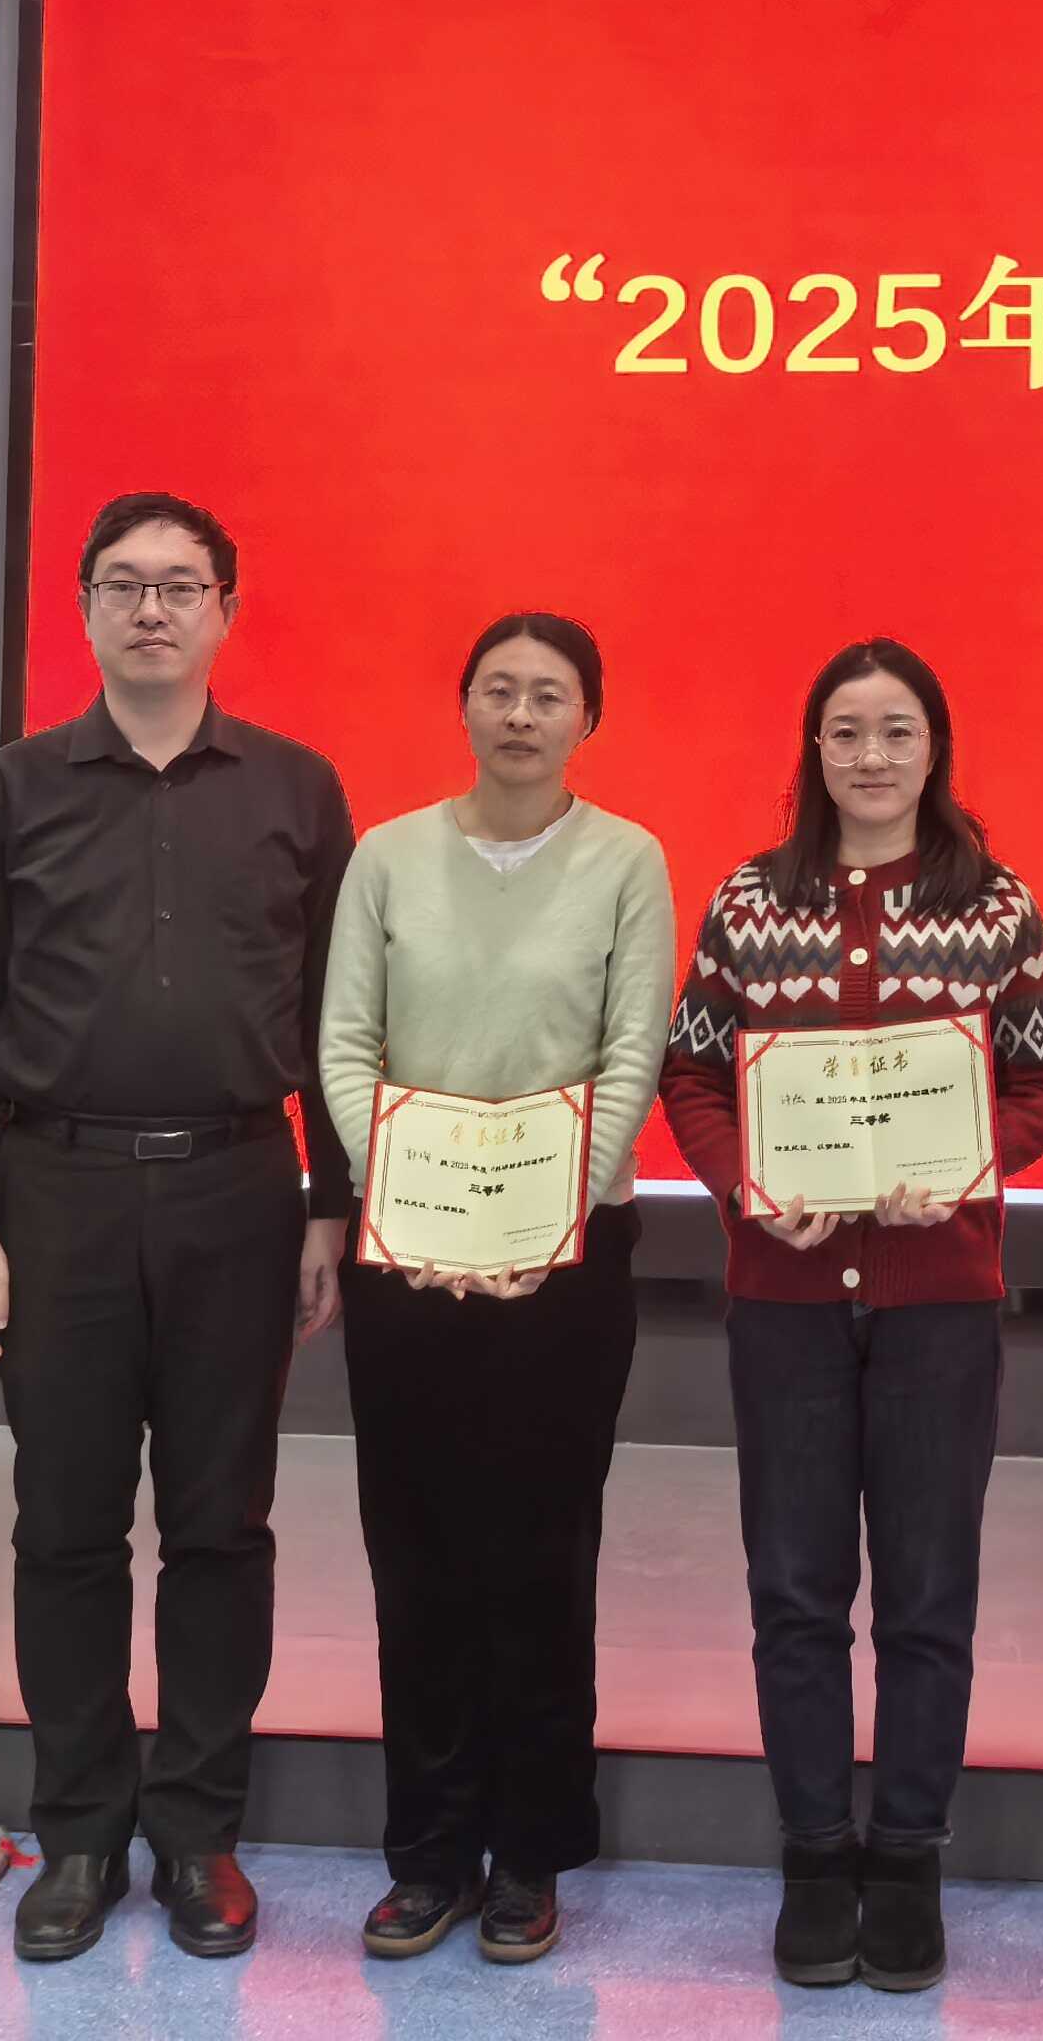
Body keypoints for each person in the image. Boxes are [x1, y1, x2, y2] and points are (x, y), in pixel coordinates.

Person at [0, 491, 357, 1967]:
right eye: (125, 584)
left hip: (242, 1188)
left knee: (222, 1525)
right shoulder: (11, 790)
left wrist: (331, 1197)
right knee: (65, 1525)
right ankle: (79, 1834)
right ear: (86, 609)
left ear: (228, 608)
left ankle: (198, 1832)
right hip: (56, 1194)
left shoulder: (297, 788)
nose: (154, 608)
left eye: (182, 585)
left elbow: (337, 1015)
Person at [658, 635, 1043, 1997]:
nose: (873, 756)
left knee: (928, 1595)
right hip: (781, 1299)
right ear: (815, 751)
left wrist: (962, 1168)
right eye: (847, 732)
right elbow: (692, 1073)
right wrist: (746, 1187)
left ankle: (905, 1859)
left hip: (938, 1300)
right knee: (794, 1592)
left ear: (934, 747)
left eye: (898, 731)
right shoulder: (749, 898)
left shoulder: (995, 905)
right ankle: (813, 1855)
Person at [315, 613, 677, 1966]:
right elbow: (344, 1043)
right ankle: (426, 1850)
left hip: (565, 1256)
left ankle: (530, 1849)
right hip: (408, 1252)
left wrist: (545, 1212)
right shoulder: (388, 856)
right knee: (414, 1553)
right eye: (500, 691)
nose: (522, 715)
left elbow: (631, 1052)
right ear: (463, 705)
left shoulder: (628, 860)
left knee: (540, 1554)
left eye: (550, 696)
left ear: (590, 719)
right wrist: (406, 1196)